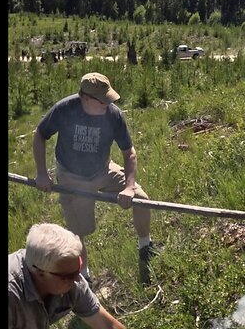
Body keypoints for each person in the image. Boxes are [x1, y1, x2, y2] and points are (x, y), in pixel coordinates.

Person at [33, 72, 159, 285]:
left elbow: (129, 153)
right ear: (85, 98)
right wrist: (42, 173)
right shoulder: (65, 109)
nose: (108, 104)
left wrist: (128, 187)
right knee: (78, 231)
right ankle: (84, 277)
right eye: (103, 101)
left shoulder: (113, 114)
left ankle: (145, 248)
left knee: (141, 198)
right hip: (71, 176)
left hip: (104, 169)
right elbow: (40, 135)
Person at [8, 222, 126, 329]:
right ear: (41, 274)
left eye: (79, 267)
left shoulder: (70, 276)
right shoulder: (12, 294)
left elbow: (108, 325)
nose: (77, 279)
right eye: (69, 276)